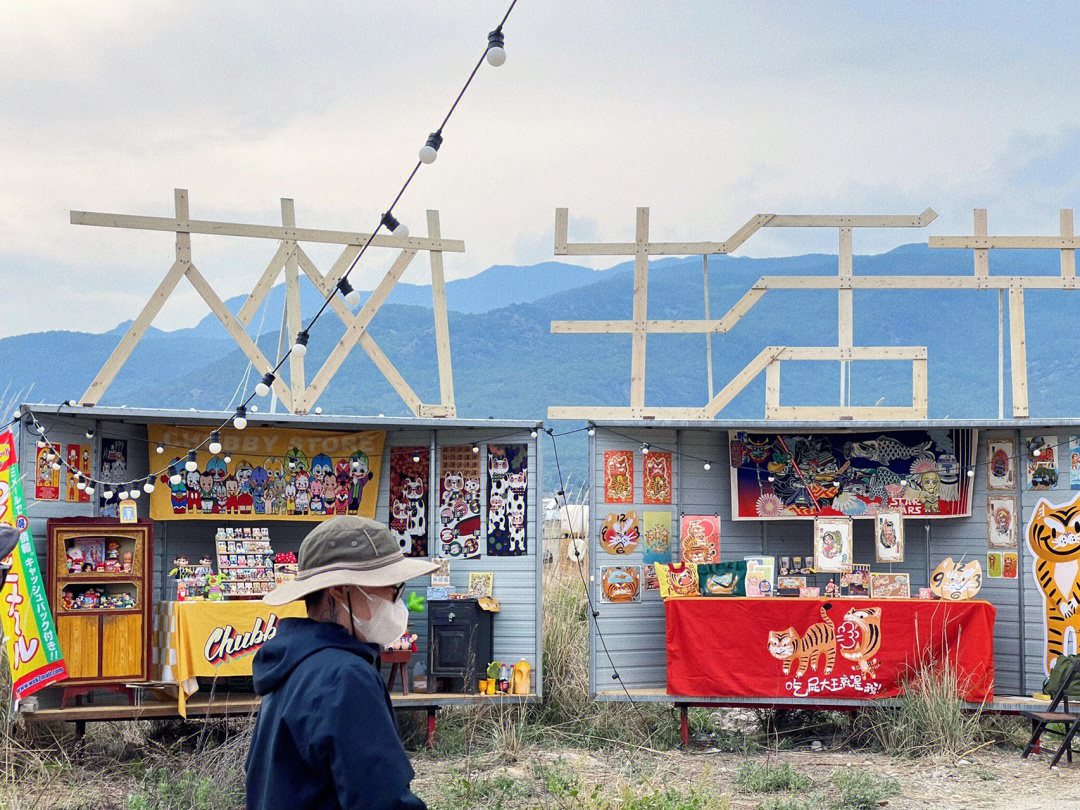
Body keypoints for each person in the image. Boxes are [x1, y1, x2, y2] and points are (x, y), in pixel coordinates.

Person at [246, 515, 438, 810]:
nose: (395, 599)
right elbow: (383, 802)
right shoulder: (345, 677)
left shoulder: (290, 666)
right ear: (339, 590)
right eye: (389, 586)